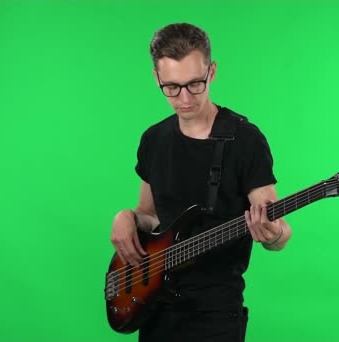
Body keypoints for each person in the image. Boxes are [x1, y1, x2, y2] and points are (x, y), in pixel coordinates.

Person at [110, 22, 293, 342]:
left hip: (216, 316)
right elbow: (150, 215)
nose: (184, 98)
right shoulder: (154, 139)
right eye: (171, 87)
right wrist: (126, 216)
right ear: (156, 78)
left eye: (195, 84)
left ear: (212, 72)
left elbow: (279, 233)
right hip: (157, 308)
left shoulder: (245, 140)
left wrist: (273, 232)